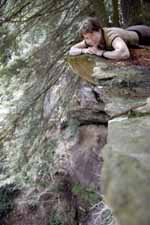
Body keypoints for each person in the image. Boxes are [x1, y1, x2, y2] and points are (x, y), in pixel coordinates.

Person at [69, 17, 150, 60]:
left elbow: (124, 53)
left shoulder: (110, 35)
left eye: (92, 35)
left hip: (144, 34)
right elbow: (72, 50)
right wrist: (85, 50)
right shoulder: (90, 40)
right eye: (87, 38)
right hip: (129, 30)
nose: (91, 40)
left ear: (99, 30)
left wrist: (101, 53)